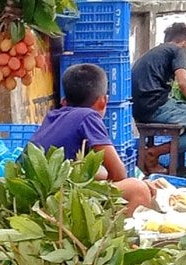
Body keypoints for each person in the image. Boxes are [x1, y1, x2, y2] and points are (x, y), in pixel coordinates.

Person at [28, 64, 153, 212]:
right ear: (103, 101)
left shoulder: (53, 116)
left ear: (63, 102)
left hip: (35, 196)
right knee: (138, 189)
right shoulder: (88, 116)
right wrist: (141, 184)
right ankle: (119, 233)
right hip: (54, 200)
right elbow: (119, 174)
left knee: (101, 173)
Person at [131, 23, 186, 158]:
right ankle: (154, 153)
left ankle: (155, 155)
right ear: (185, 42)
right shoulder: (177, 50)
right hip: (155, 107)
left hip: (139, 110)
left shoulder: (154, 53)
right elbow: (184, 84)